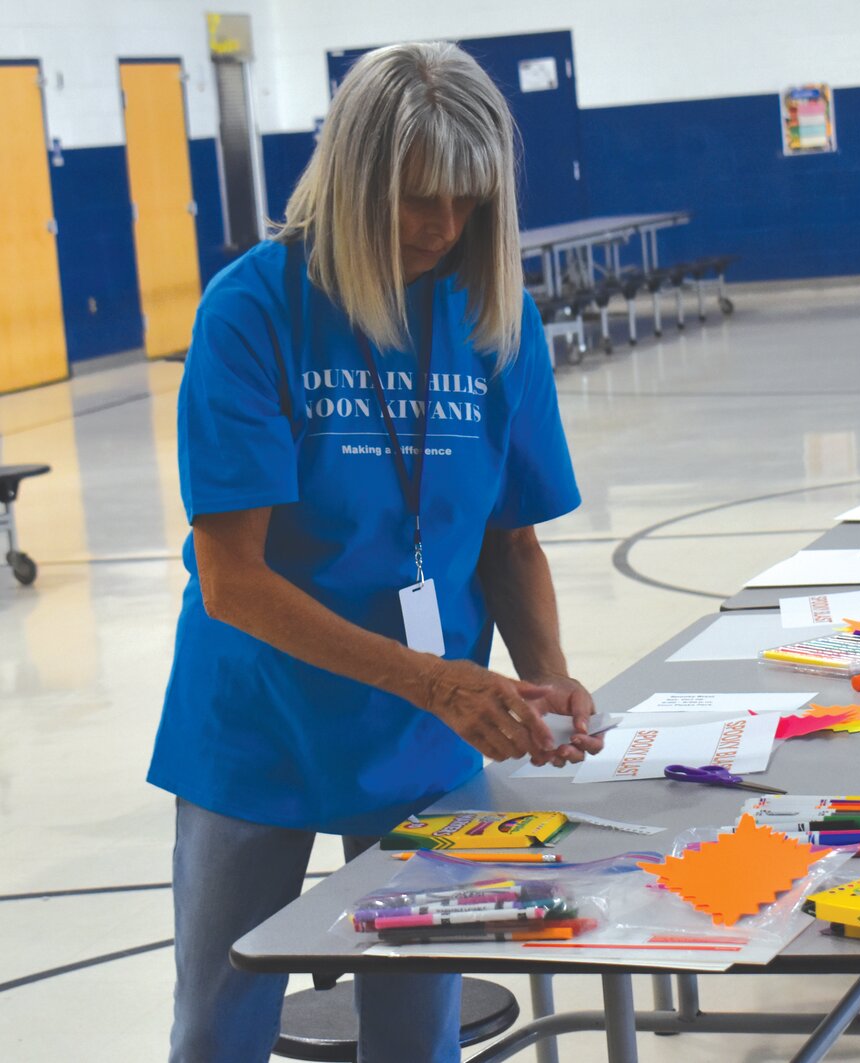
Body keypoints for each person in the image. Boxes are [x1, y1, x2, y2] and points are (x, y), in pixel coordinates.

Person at [146, 41, 601, 1062]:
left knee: (414, 1020)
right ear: (353, 179)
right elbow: (234, 580)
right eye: (415, 199)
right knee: (220, 1019)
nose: (442, 227)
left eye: (466, 201)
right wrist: (434, 682)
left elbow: (510, 534)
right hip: (258, 724)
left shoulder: (494, 314)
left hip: (419, 740)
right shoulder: (253, 311)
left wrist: (545, 682)